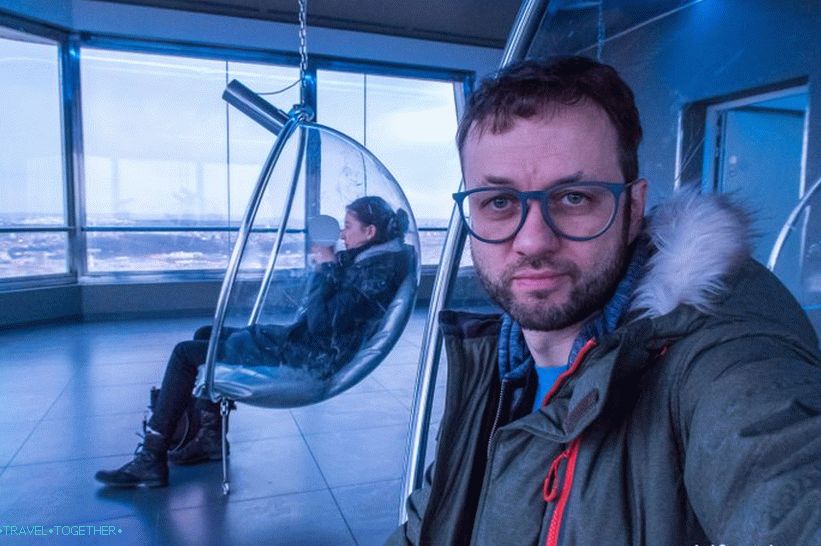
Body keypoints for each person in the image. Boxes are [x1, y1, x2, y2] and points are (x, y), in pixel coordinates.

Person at [391, 57, 821, 545]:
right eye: (499, 202)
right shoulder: (493, 367)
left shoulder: (720, 361)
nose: (532, 241)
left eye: (574, 197)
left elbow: (783, 477)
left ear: (633, 208)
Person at [95, 195, 413, 488]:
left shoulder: (374, 273)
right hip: (308, 344)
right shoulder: (373, 262)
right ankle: (209, 438)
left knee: (184, 354)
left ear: (370, 232)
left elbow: (320, 325)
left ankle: (151, 456)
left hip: (308, 355)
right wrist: (331, 265)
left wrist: (325, 267)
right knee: (207, 334)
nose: (343, 235)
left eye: (347, 227)